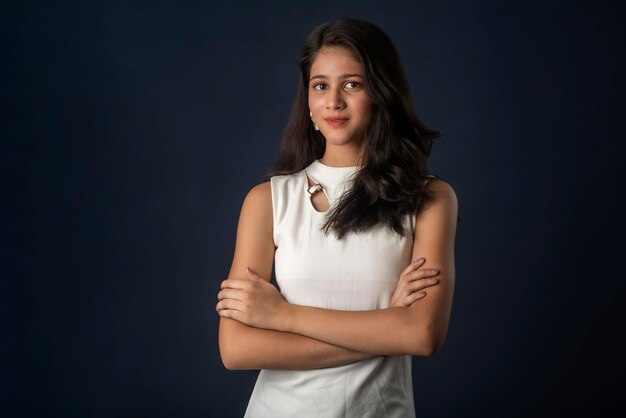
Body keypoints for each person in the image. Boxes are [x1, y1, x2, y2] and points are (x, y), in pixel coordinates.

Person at [216, 18, 458, 417]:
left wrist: (282, 316)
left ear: (381, 93)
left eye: (352, 84)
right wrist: (385, 330)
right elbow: (236, 349)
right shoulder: (268, 200)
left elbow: (423, 334)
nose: (334, 102)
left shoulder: (429, 199)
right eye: (320, 86)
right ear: (307, 101)